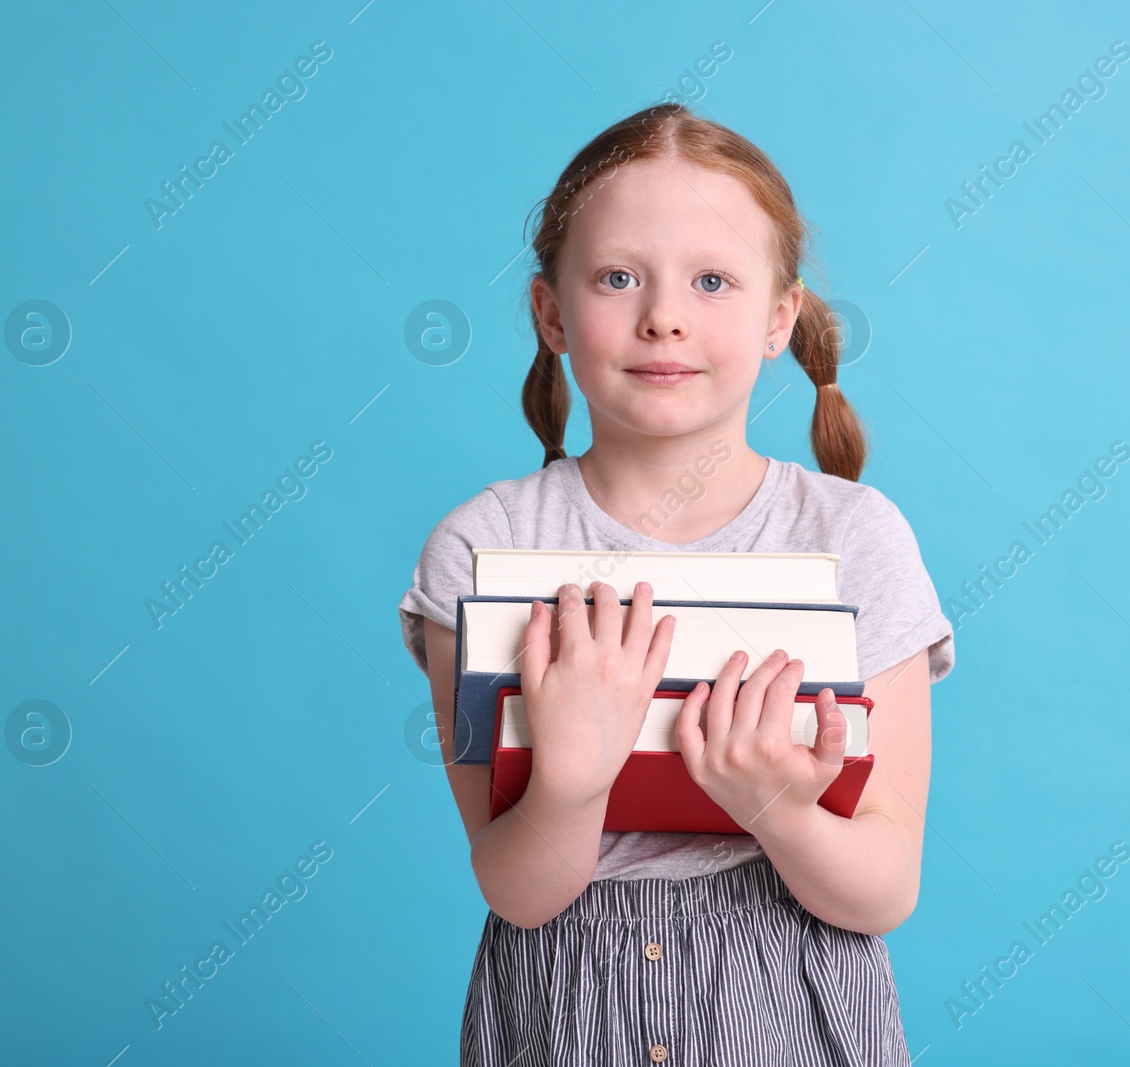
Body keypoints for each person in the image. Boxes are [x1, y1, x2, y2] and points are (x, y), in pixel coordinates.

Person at [397, 101, 954, 1066]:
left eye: (712, 280)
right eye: (618, 277)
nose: (663, 314)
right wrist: (571, 780)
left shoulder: (856, 539)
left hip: (793, 1005)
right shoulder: (482, 548)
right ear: (550, 313)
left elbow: (884, 888)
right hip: (567, 1011)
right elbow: (519, 889)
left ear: (780, 318)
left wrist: (772, 802)